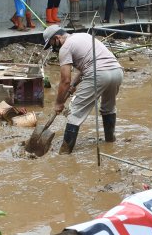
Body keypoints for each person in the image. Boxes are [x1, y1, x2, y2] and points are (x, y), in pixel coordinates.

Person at [42, 24, 123, 154]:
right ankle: (110, 142)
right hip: (117, 72)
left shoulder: (65, 48)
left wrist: (59, 102)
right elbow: (89, 64)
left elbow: (65, 80)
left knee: (75, 113)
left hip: (99, 74)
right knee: (108, 108)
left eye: (52, 44)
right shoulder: (83, 36)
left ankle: (64, 154)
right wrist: (74, 85)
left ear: (57, 37)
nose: (53, 48)